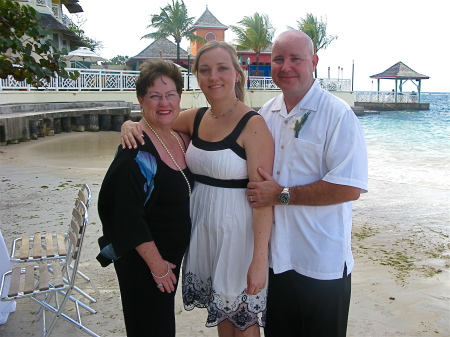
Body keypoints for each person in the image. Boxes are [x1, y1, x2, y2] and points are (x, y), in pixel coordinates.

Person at [121, 41, 274, 337]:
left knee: (244, 324)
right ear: (197, 77)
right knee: (223, 320)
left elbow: (263, 198)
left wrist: (258, 260)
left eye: (221, 68)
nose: (213, 76)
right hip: (205, 232)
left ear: (237, 74)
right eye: (205, 70)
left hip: (238, 236)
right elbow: (155, 120)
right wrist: (129, 124)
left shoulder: (253, 125)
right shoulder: (197, 117)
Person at [246, 30, 368, 336]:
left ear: (313, 62)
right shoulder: (266, 114)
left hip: (321, 264)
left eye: (295, 59)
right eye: (278, 59)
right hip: (278, 261)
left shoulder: (337, 114)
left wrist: (282, 195)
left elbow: (349, 187)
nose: (286, 66)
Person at [96, 59, 194, 336]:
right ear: (141, 100)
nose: (164, 102)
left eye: (170, 94)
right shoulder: (136, 151)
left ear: (180, 97)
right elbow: (126, 216)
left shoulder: (178, 136)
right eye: (154, 96)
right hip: (146, 266)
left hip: (168, 262)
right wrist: (158, 267)